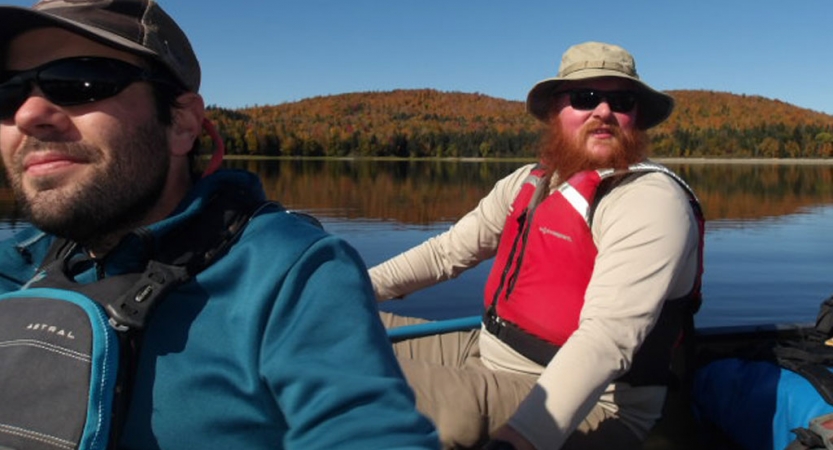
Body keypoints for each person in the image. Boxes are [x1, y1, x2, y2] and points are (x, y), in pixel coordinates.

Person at [0, 1, 439, 449]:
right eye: (6, 93)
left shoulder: (287, 271)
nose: (28, 115)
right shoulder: (16, 262)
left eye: (80, 81)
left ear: (183, 124)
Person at [371, 41, 704, 450]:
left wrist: (518, 441)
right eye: (585, 98)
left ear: (635, 115)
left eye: (621, 100)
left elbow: (605, 340)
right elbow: (446, 253)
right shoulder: (530, 182)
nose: (603, 112)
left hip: (589, 404)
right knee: (324, 319)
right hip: (488, 351)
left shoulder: (649, 201)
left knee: (345, 375)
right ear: (554, 111)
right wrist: (352, 288)